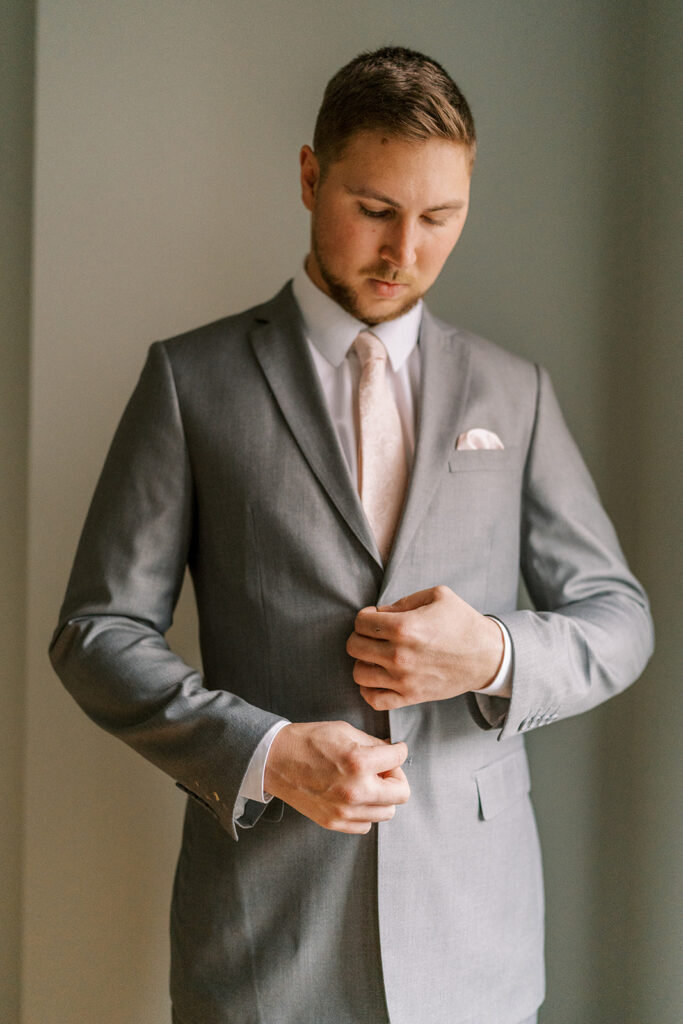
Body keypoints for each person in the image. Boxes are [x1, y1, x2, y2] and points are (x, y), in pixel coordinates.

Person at [50, 46, 653, 1024]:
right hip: (262, 938)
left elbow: (619, 621)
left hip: (475, 937)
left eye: (438, 217)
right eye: (374, 209)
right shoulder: (189, 381)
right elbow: (95, 632)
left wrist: (495, 651)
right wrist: (268, 749)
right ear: (308, 177)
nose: (402, 250)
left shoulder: (515, 392)